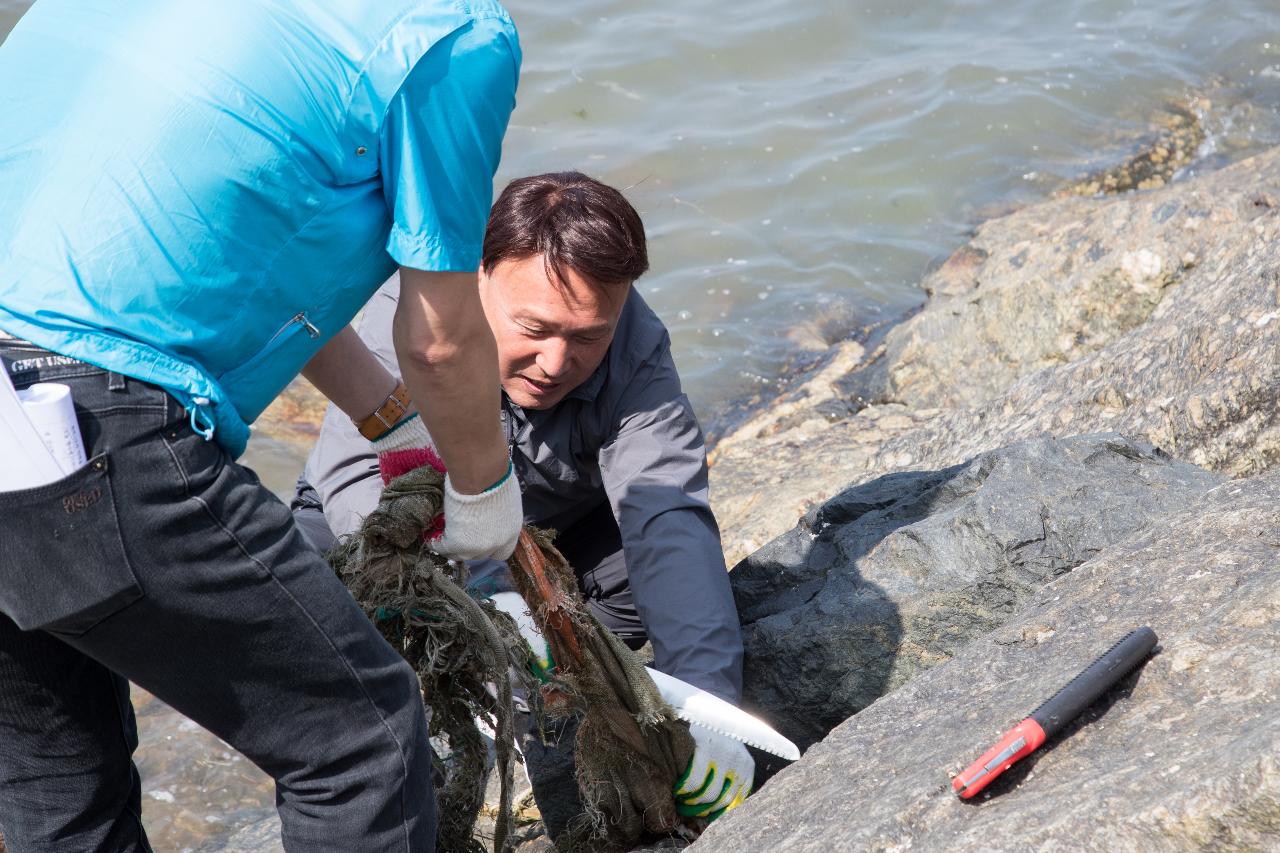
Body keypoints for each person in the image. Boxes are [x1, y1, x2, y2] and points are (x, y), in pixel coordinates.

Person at [0, 2, 523, 850]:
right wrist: (485, 491)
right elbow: (440, 339)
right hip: (87, 425)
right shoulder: (452, 32)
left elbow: (232, 238)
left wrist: (385, 420)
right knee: (361, 745)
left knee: (60, 784)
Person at [291, 171, 753, 836]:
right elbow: (363, 487)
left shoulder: (634, 343)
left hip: (547, 539)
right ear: (477, 279)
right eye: (534, 327)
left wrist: (709, 711)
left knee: (654, 561)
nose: (556, 361)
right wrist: (474, 615)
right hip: (389, 523)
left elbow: (666, 513)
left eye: (587, 336)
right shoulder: (403, 312)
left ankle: (549, 684)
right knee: (316, 595)